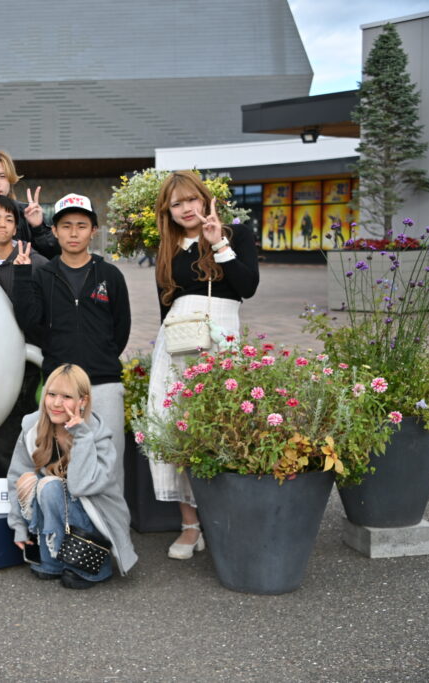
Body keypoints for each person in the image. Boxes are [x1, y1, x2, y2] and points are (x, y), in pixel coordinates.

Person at [145, 170, 259, 560]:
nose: (186, 209)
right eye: (176, 204)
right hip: (177, 345)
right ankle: (190, 525)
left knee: (223, 424)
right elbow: (164, 305)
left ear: (205, 198)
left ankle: (223, 518)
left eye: (191, 199)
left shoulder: (235, 234)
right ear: (167, 211)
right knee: (174, 427)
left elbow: (247, 287)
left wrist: (218, 243)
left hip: (221, 339)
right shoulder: (167, 247)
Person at [12, 193, 130, 484]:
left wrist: (101, 356)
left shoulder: (110, 275)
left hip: (103, 383)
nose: (73, 233)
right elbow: (30, 323)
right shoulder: (43, 275)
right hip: (60, 388)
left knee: (109, 461)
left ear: (94, 231)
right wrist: (22, 275)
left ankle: (108, 516)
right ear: (54, 231)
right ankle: (63, 514)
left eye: (81, 225)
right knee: (59, 462)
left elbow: (121, 329)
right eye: (66, 226)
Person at [7, 364, 137, 588]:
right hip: (57, 509)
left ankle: (90, 566)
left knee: (51, 486)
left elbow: (80, 486)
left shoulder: (97, 434)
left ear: (82, 401)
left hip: (94, 517)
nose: (56, 403)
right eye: (51, 394)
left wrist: (82, 436)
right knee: (33, 481)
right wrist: (18, 525)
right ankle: (54, 560)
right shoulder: (32, 427)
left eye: (66, 397)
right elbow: (16, 476)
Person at [0, 195, 47, 478]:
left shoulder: (34, 263)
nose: (2, 225)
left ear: (16, 227)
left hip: (23, 364)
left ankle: (17, 496)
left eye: (8, 219)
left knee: (12, 440)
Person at [0, 150, 58, 259]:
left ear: (10, 180)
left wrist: (38, 228)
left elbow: (53, 257)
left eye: (2, 176)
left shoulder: (28, 213)